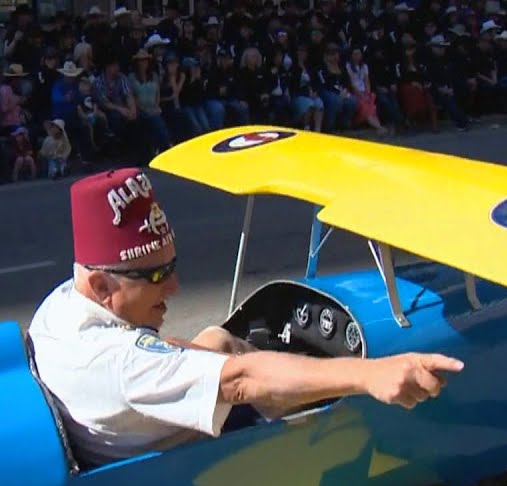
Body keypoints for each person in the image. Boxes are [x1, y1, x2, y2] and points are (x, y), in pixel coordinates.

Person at [27, 168, 464, 468]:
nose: (174, 288)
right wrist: (369, 374)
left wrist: (207, 359)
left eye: (172, 267)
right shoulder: (120, 364)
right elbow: (240, 382)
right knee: (306, 398)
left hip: (125, 429)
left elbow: (156, 356)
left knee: (218, 339)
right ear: (102, 286)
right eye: (156, 276)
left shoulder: (61, 307)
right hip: (184, 472)